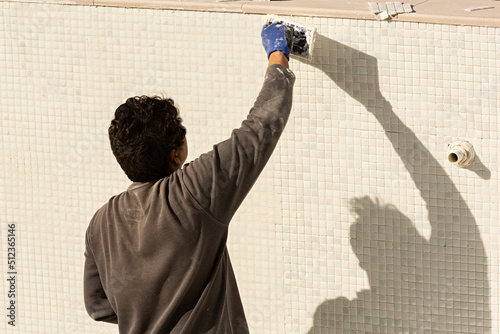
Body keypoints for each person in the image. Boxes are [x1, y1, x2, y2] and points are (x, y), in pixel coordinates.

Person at [84, 23, 295, 333]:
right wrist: (278, 54)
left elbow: (98, 306)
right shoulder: (194, 194)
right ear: (176, 153)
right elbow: (260, 128)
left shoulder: (100, 224)